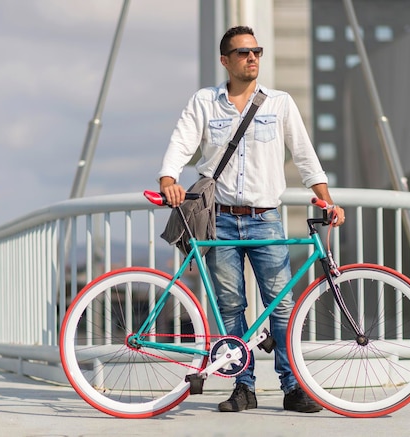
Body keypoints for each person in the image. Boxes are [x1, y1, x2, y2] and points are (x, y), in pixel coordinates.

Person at [158, 25, 345, 413]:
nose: (252, 57)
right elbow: (181, 141)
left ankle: (293, 387)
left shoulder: (279, 103)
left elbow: (306, 156)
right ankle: (242, 387)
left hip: (266, 219)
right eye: (243, 53)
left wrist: (327, 200)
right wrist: (168, 179)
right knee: (229, 306)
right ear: (225, 61)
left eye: (256, 51)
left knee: (282, 307)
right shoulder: (205, 102)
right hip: (220, 220)